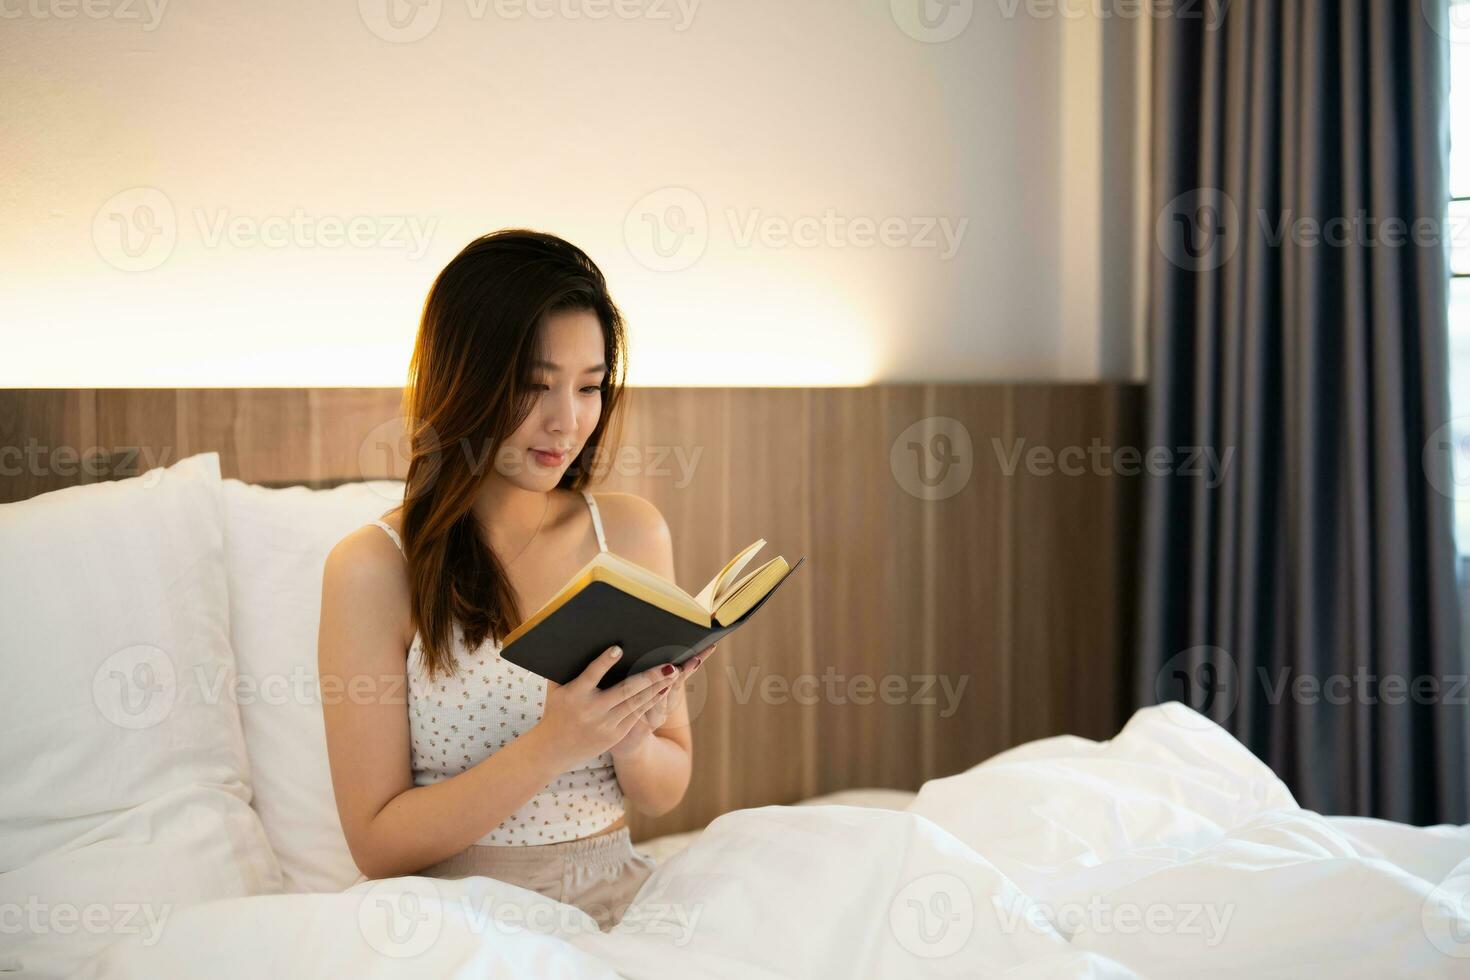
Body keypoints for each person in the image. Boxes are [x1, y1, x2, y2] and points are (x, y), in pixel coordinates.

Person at [318, 229, 713, 931]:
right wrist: (553, 745)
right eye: (535, 385)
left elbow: (666, 786)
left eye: (589, 387)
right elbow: (376, 843)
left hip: (615, 905)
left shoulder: (628, 534)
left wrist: (625, 736)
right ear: (465, 379)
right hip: (457, 925)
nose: (567, 421)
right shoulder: (373, 569)